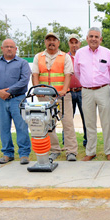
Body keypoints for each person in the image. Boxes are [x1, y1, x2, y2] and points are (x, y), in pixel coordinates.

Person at [31, 32, 77, 161]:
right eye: (48, 40)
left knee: (68, 123)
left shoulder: (65, 57)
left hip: (62, 96)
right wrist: (36, 89)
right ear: (45, 42)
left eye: (54, 40)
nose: (51, 42)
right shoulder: (38, 57)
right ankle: (54, 149)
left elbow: (68, 74)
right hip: (44, 97)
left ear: (58, 42)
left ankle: (71, 151)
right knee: (48, 123)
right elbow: (35, 74)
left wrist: (63, 90)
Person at [0, 39, 31, 165]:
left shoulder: (22, 63)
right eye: (6, 47)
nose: (9, 49)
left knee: (21, 126)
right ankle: (7, 153)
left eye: (12, 47)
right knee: (4, 127)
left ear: (16, 49)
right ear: (2, 48)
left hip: (18, 99)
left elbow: (24, 80)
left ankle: (24, 154)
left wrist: (9, 91)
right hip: (0, 100)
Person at [74, 27, 110, 161]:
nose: (93, 39)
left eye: (96, 37)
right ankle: (90, 151)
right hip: (86, 91)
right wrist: (87, 84)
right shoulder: (80, 53)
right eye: (91, 36)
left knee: (107, 121)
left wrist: (104, 84)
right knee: (89, 122)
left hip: (103, 89)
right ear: (86, 38)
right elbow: (77, 72)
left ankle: (109, 151)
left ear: (100, 39)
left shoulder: (107, 53)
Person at [66, 34, 87, 148]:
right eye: (72, 42)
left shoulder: (85, 56)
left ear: (80, 43)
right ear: (69, 44)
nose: (74, 45)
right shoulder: (64, 57)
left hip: (82, 91)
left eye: (76, 42)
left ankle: (87, 141)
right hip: (69, 92)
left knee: (86, 117)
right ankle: (67, 142)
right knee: (68, 119)